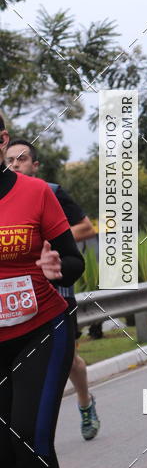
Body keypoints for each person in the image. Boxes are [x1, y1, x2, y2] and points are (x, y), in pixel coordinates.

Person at [0, 113, 84, 468]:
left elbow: (73, 260)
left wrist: (59, 267)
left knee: (33, 437)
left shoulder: (36, 193)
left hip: (41, 329)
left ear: (2, 139)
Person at [5, 139, 100, 441]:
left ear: (35, 165)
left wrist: (45, 234)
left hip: (57, 293)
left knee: (69, 360)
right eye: (10, 160)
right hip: (14, 303)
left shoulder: (53, 192)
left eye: (21, 159)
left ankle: (85, 403)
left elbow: (86, 228)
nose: (15, 164)